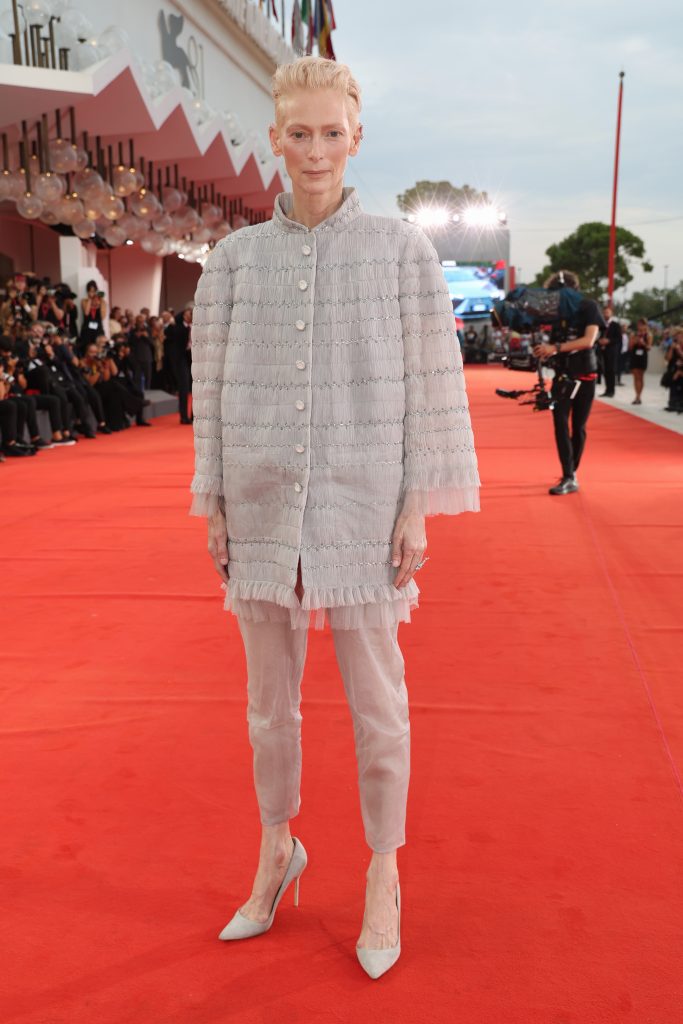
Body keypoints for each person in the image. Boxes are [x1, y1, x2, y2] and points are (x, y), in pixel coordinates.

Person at [189, 56, 480, 979]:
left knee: (376, 705)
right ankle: (279, 850)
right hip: (264, 503)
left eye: (331, 133)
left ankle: (383, 870)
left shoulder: (400, 250)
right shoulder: (231, 262)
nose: (315, 151)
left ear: (356, 138)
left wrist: (415, 504)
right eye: (299, 133)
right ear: (274, 138)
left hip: (362, 503)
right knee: (267, 707)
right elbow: (211, 391)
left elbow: (434, 389)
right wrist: (216, 500)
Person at [532, 270, 605, 495]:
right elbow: (554, 342)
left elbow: (588, 340)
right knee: (560, 423)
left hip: (585, 376)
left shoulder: (588, 307)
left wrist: (554, 348)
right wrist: (544, 351)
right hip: (562, 376)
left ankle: (571, 472)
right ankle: (568, 474)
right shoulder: (555, 314)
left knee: (578, 427)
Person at [166, 307, 193, 423]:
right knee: (184, 387)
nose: (190, 316)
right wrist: (172, 324)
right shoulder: (178, 327)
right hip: (181, 359)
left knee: (196, 388)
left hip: (192, 358)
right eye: (188, 314)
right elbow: (167, 333)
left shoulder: (196, 327)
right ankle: (183, 416)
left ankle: (194, 415)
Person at [599, 304, 622, 397]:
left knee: (611, 370)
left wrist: (609, 341)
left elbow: (618, 339)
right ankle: (607, 389)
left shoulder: (616, 325)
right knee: (605, 370)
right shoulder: (601, 324)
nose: (606, 314)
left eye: (607, 312)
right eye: (604, 312)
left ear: (611, 313)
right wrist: (599, 341)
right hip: (602, 351)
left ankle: (611, 391)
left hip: (612, 351)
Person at [629, 318, 652, 405]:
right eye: (639, 324)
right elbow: (630, 347)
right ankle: (637, 396)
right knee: (635, 377)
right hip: (634, 356)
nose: (640, 326)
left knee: (641, 376)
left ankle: (639, 396)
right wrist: (634, 341)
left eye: (642, 324)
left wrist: (643, 344)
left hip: (643, 356)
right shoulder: (633, 334)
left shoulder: (648, 335)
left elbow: (649, 347)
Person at [79, 281, 107, 352]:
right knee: (87, 349)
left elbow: (103, 316)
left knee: (100, 348)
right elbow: (86, 313)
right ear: (87, 292)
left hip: (98, 330)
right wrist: (90, 300)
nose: (92, 293)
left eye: (94, 291)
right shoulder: (84, 301)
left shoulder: (102, 302)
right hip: (87, 330)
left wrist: (99, 302)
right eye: (90, 291)